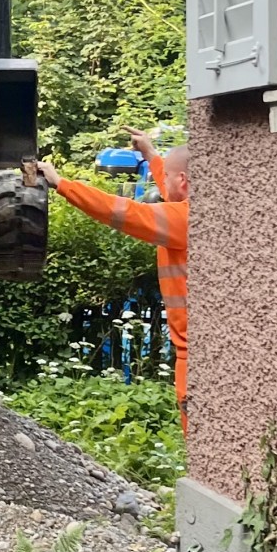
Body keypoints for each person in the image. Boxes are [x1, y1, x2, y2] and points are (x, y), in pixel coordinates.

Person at [36, 127, 190, 435]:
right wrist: (151, 154)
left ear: (183, 180)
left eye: (167, 177)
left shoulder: (183, 220)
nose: (161, 183)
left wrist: (62, 184)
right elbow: (172, 186)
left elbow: (123, 212)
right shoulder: (205, 212)